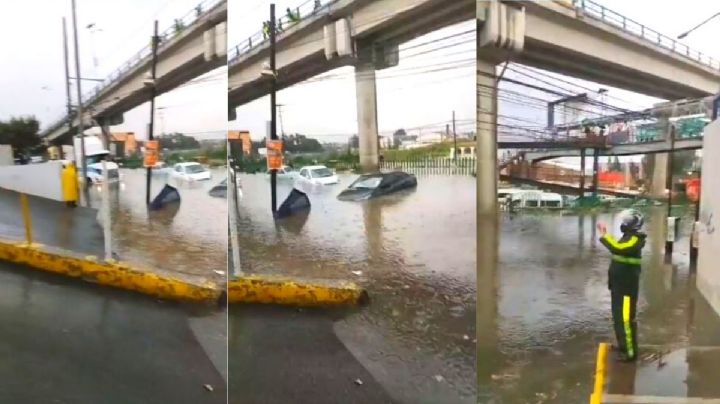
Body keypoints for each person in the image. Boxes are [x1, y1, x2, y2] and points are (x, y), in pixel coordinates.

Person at [597, 209, 646, 362]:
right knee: (618, 318)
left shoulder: (636, 239)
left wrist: (604, 235)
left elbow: (618, 249)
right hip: (619, 286)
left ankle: (630, 353)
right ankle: (623, 346)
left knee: (625, 320)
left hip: (627, 288)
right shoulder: (627, 237)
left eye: (626, 222)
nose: (623, 224)